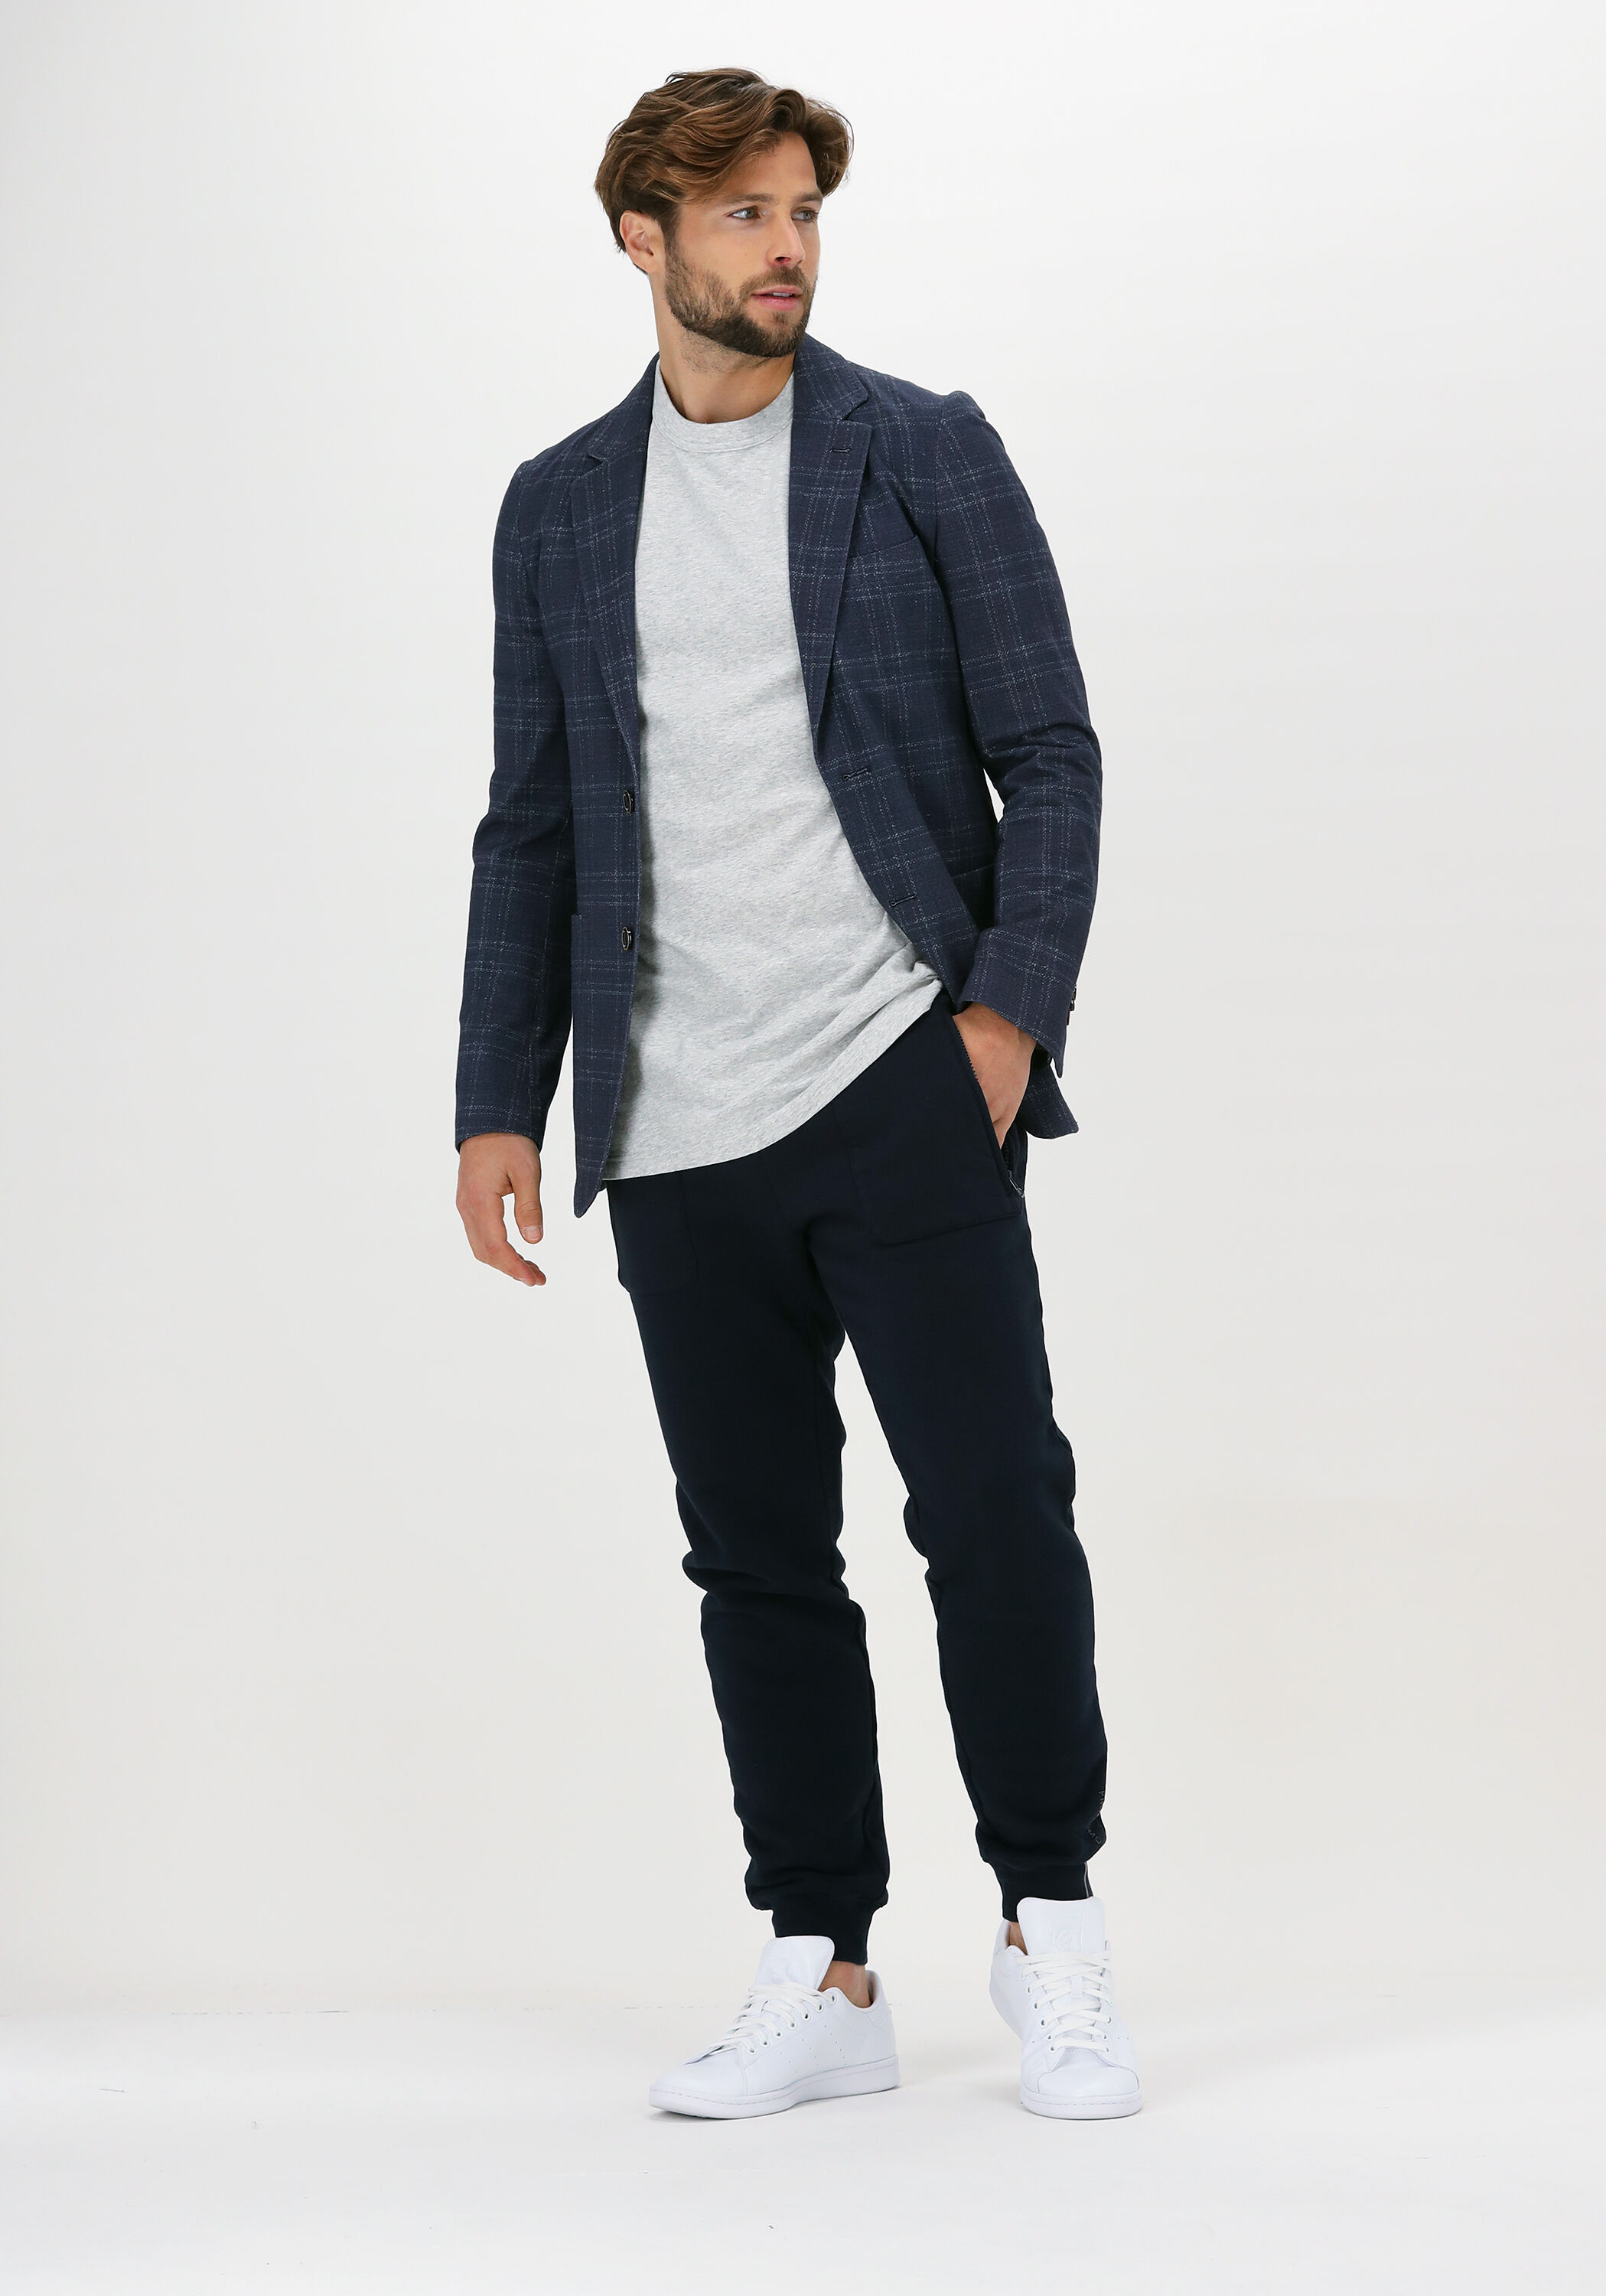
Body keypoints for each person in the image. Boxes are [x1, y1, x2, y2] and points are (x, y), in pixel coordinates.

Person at [454, 68, 1139, 2122]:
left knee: (994, 1511)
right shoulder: (558, 504)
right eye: (742, 215)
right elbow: (532, 821)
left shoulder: (919, 450)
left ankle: (1054, 1929)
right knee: (755, 1557)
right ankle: (821, 1966)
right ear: (642, 240)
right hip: (671, 1117)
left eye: (801, 213)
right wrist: (499, 1102)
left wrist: (1000, 1028)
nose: (785, 250)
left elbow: (1053, 752)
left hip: (896, 1074)